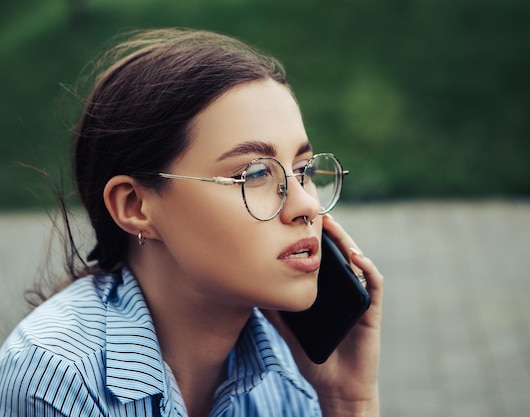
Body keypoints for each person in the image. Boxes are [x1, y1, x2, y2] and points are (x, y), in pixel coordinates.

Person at [0, 28, 383, 417]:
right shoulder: (56, 380)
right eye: (253, 175)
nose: (305, 206)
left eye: (302, 170)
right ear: (134, 206)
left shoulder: (295, 368)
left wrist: (348, 401)